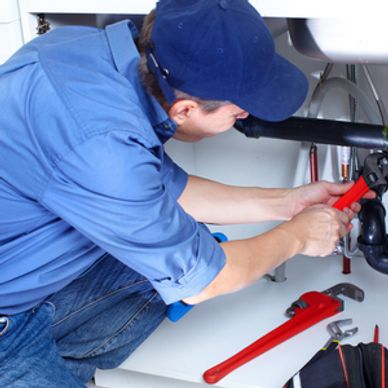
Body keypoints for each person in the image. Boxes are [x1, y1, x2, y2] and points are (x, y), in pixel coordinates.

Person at [0, 0, 373, 386]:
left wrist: (289, 202)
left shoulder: (87, 55)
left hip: (18, 277)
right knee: (190, 268)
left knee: (161, 273)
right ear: (184, 109)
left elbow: (160, 189)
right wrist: (298, 237)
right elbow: (204, 282)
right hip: (5, 329)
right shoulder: (105, 150)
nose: (244, 116)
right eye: (238, 111)